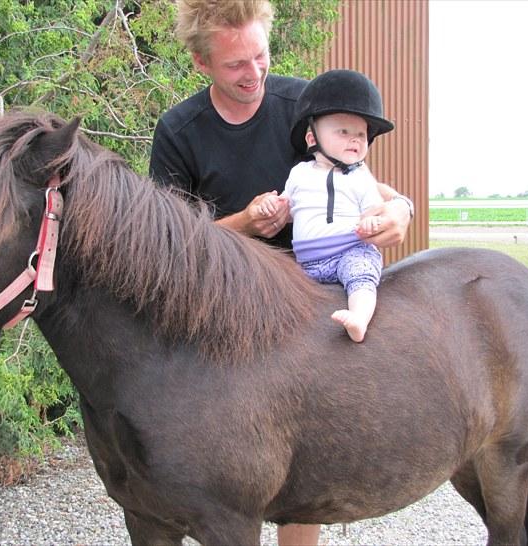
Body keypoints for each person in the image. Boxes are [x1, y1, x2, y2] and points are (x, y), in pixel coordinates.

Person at [149, 1, 412, 544]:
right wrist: (245, 222)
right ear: (202, 63)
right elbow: (165, 251)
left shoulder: (302, 103)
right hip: (219, 310)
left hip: (310, 294)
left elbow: (363, 181)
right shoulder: (178, 131)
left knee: (304, 453)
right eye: (235, 65)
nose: (254, 74)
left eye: (260, 56)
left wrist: (400, 209)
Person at [260, 70, 392, 342]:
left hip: (349, 249)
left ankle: (359, 318)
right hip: (306, 261)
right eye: (344, 132)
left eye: (361, 134)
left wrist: (370, 221)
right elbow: (287, 206)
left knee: (361, 276)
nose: (355, 139)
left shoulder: (360, 176)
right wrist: (273, 206)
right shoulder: (299, 174)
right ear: (312, 139)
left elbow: (375, 207)